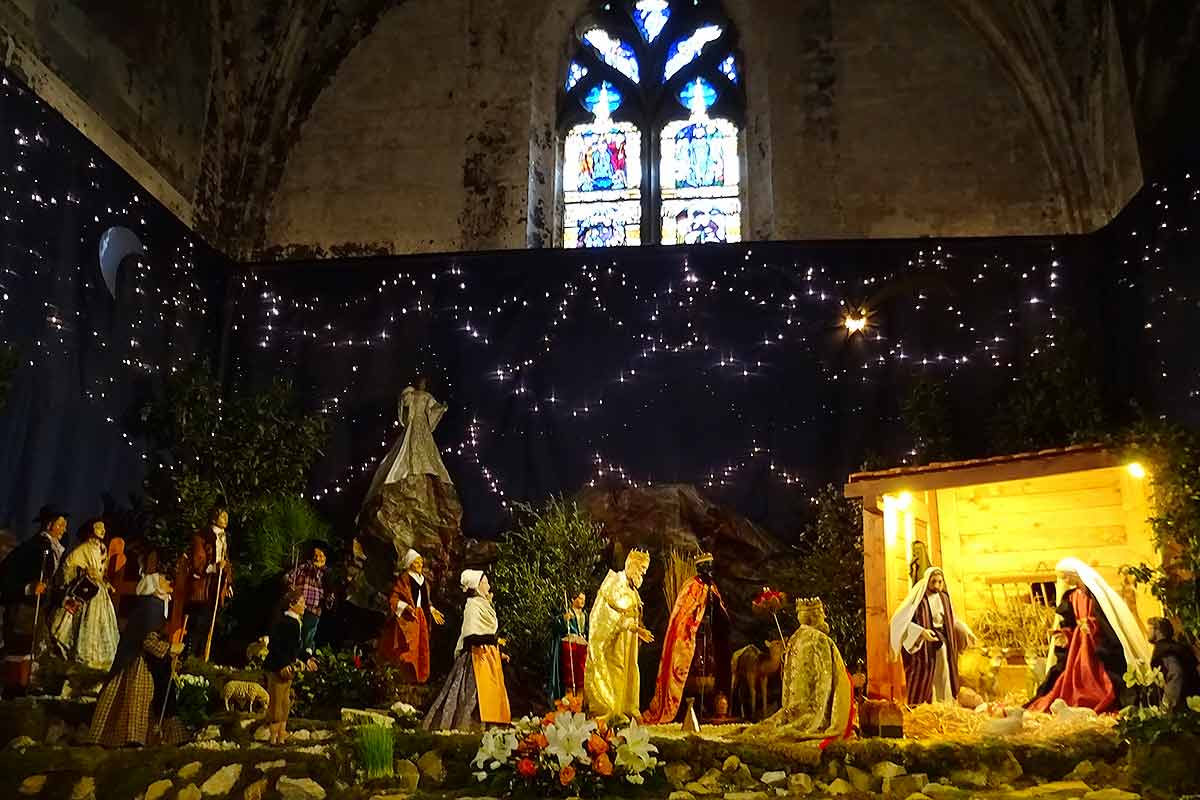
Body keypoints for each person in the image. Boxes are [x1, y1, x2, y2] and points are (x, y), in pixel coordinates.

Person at [1029, 558, 1151, 713]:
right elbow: (1071, 622)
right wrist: (1065, 634)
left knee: (1091, 673)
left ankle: (1095, 698)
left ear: (1075, 574)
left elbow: (1105, 622)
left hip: (1095, 643)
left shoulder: (1095, 595)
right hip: (1078, 643)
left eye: (1065, 576)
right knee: (1072, 675)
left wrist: (1092, 625)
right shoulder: (1071, 596)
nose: (1064, 581)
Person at [88, 573, 187, 747]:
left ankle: (130, 737)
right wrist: (171, 648)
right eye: (163, 580)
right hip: (139, 662)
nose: (167, 581)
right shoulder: (152, 606)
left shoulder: (150, 605)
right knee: (138, 699)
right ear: (155, 587)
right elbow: (148, 641)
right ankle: (133, 738)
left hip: (141, 659)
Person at [742, 598, 854, 746]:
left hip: (792, 709)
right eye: (821, 612)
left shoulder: (795, 638)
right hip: (813, 711)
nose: (825, 616)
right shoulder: (820, 640)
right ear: (814, 616)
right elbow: (827, 677)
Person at [644, 552, 730, 723]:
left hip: (708, 637)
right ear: (700, 568)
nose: (709, 570)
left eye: (710, 567)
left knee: (710, 669)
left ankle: (706, 708)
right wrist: (695, 623)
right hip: (693, 638)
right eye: (706, 567)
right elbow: (682, 615)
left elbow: (720, 613)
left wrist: (714, 609)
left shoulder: (712, 586)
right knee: (689, 670)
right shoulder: (690, 586)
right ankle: (686, 708)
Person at [423, 569, 511, 731]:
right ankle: (470, 727)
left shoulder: (485, 605)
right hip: (475, 659)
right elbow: (471, 637)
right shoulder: (473, 606)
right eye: (485, 582)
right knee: (472, 695)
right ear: (477, 586)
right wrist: (493, 640)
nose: (489, 585)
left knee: (491, 693)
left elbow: (488, 634)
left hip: (489, 657)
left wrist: (498, 650)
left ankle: (491, 726)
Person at [361, 376, 452, 516]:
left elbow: (434, 407)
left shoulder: (427, 396)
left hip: (423, 426)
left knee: (426, 449)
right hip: (414, 423)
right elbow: (404, 405)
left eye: (425, 383)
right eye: (421, 382)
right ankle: (409, 470)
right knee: (410, 445)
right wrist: (405, 399)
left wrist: (442, 407)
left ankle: (423, 470)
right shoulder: (411, 394)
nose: (423, 384)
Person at [0, 506, 68, 693]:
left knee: (30, 648)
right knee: (18, 647)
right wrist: (28, 588)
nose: (64, 529)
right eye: (61, 525)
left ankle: (23, 686)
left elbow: (51, 581)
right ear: (49, 525)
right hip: (22, 607)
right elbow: (7, 575)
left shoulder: (53, 549)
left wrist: (60, 599)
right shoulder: (33, 548)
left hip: (37, 607)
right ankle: (12, 689)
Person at [889, 566, 975, 705]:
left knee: (944, 672)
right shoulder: (919, 601)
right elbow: (902, 622)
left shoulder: (944, 598)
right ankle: (927, 703)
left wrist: (964, 630)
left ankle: (944, 702)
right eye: (933, 581)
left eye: (940, 582)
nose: (936, 585)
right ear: (927, 581)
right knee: (928, 674)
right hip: (924, 648)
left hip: (943, 642)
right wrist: (921, 632)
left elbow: (952, 619)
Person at [586, 549, 653, 720]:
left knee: (631, 670)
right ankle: (612, 710)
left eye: (645, 570)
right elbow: (611, 617)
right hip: (616, 640)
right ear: (631, 565)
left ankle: (628, 708)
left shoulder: (632, 589)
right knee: (617, 669)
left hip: (629, 640)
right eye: (641, 568)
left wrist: (638, 629)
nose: (643, 573)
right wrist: (635, 628)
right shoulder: (614, 583)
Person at [50, 519, 119, 670]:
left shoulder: (103, 548)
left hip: (100, 593)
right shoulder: (84, 548)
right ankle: (81, 659)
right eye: (99, 527)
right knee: (84, 621)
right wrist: (76, 577)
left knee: (103, 623)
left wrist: (106, 584)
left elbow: (103, 573)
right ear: (91, 529)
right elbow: (68, 565)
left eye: (104, 527)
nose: (102, 530)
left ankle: (99, 663)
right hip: (87, 590)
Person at [172, 506, 234, 657]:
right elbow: (198, 559)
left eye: (226, 517)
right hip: (203, 585)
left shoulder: (225, 538)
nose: (225, 519)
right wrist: (213, 567)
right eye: (222, 516)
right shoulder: (202, 536)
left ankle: (201, 657)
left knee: (210, 623)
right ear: (214, 518)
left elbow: (226, 560)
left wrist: (229, 582)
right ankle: (188, 655)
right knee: (198, 622)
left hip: (217, 585)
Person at [377, 549, 445, 682]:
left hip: (421, 616)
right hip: (408, 618)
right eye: (416, 562)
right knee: (407, 648)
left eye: (420, 561)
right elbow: (394, 599)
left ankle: (417, 677)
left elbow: (425, 601)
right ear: (410, 564)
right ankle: (402, 677)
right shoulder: (405, 579)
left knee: (421, 646)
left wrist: (432, 610)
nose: (420, 564)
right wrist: (406, 607)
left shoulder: (423, 581)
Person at [263, 589, 318, 745]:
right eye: (301, 603)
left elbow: (296, 648)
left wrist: (306, 659)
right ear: (292, 604)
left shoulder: (295, 623)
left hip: (288, 669)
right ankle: (274, 736)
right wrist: (282, 664)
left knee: (285, 701)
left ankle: (282, 732)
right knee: (277, 701)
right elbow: (275, 645)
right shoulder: (284, 622)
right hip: (278, 667)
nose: (305, 606)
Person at [1148, 617, 1200, 713]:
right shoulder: (1177, 648)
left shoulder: (1165, 651)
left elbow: (1176, 674)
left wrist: (1167, 705)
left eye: (1150, 628)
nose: (1148, 632)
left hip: (1182, 708)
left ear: (1157, 630)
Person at [286, 545, 329, 654]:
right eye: (315, 555)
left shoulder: (327, 574)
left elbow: (330, 591)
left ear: (325, 558)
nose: (317, 558)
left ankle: (306, 655)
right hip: (298, 606)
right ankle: (292, 655)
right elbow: (288, 577)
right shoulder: (303, 567)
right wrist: (289, 584)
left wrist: (329, 599)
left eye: (320, 555)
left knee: (308, 633)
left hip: (314, 609)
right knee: (294, 633)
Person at [549, 590, 589, 704]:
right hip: (569, 643)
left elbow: (587, 629)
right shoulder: (567, 612)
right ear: (573, 599)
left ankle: (580, 700)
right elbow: (555, 626)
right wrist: (563, 619)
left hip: (582, 644)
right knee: (569, 671)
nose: (583, 602)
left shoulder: (584, 615)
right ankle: (569, 698)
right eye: (580, 599)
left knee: (581, 672)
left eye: (584, 600)